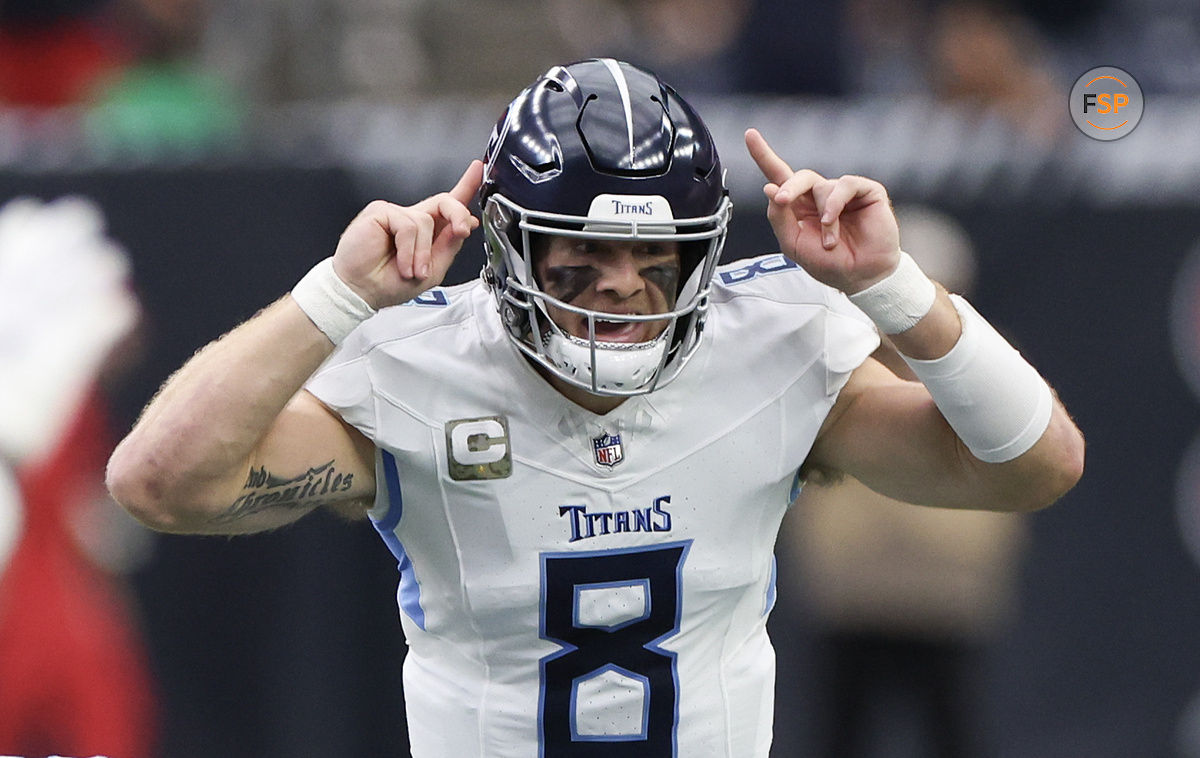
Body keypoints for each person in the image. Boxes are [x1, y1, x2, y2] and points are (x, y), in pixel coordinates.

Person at [106, 58, 1084, 757]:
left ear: (699, 255)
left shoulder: (773, 349)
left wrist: (894, 286)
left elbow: (1036, 464)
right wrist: (338, 295)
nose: (619, 284)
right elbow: (160, 482)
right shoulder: (421, 365)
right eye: (582, 252)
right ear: (510, 248)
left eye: (652, 257)